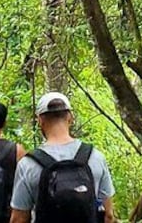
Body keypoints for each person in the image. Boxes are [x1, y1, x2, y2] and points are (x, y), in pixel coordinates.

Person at [10, 92, 116, 223]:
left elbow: (19, 219)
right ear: (70, 118)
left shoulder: (28, 164)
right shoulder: (95, 157)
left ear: (40, 121)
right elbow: (109, 215)